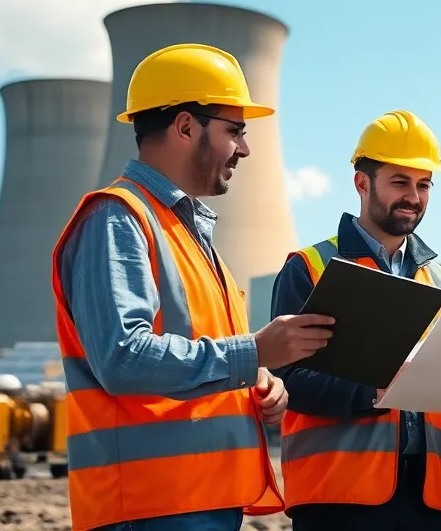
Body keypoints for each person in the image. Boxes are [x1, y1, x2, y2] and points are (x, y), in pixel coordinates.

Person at [50, 43, 337, 531]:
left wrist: (259, 386)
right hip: (149, 508)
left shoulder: (190, 239)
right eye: (235, 131)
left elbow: (204, 358)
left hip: (200, 501)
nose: (244, 149)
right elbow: (123, 357)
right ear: (185, 126)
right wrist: (254, 352)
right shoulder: (118, 219)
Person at [270, 110, 441, 531]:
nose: (413, 196)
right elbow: (289, 378)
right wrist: (373, 392)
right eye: (400, 182)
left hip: (426, 499)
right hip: (336, 496)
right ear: (362, 183)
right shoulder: (311, 267)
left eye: (424, 185)